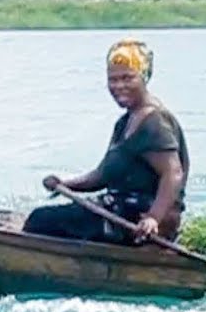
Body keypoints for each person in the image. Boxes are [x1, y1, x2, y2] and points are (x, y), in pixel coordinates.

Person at [23, 37, 189, 244]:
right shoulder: (125, 122)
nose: (119, 86)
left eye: (128, 78)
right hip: (119, 211)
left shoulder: (153, 121)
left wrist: (154, 218)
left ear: (144, 77)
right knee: (48, 220)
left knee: (40, 220)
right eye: (113, 79)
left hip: (139, 224)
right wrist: (65, 184)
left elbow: (173, 173)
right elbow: (102, 176)